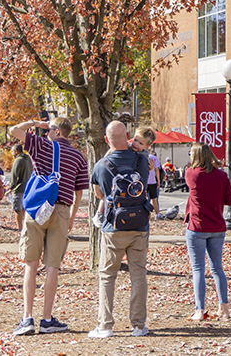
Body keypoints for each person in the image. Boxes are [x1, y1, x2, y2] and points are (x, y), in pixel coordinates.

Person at [9, 117, 89, 336]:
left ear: (57, 131)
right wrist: (71, 218)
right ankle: (46, 318)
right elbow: (79, 190)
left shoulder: (42, 145)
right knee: (53, 265)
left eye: (49, 129)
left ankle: (27, 318)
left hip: (37, 210)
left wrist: (35, 123)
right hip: (62, 210)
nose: (46, 132)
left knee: (31, 264)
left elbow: (13, 129)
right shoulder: (78, 156)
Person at [88, 121, 151, 338]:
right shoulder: (142, 160)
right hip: (140, 224)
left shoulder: (100, 165)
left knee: (107, 276)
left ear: (107, 140)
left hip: (112, 226)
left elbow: (99, 195)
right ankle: (139, 325)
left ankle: (105, 325)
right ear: (128, 138)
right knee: (138, 275)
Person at [185, 142, 231, 322]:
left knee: (198, 269)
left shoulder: (191, 174)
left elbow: (193, 170)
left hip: (197, 227)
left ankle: (200, 310)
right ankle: (224, 308)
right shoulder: (221, 176)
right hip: (217, 227)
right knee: (217, 269)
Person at [132, 127, 160, 218]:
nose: (136, 144)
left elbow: (149, 168)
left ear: (147, 146)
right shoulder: (127, 147)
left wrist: (150, 168)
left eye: (140, 143)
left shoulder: (145, 155)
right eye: (135, 140)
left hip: (139, 184)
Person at [10, 143, 33, 230]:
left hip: (19, 188)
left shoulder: (18, 161)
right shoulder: (28, 160)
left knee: (17, 209)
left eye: (12, 151)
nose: (12, 153)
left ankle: (20, 228)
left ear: (16, 151)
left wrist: (11, 187)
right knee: (24, 209)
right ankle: (26, 227)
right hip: (28, 188)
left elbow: (14, 176)